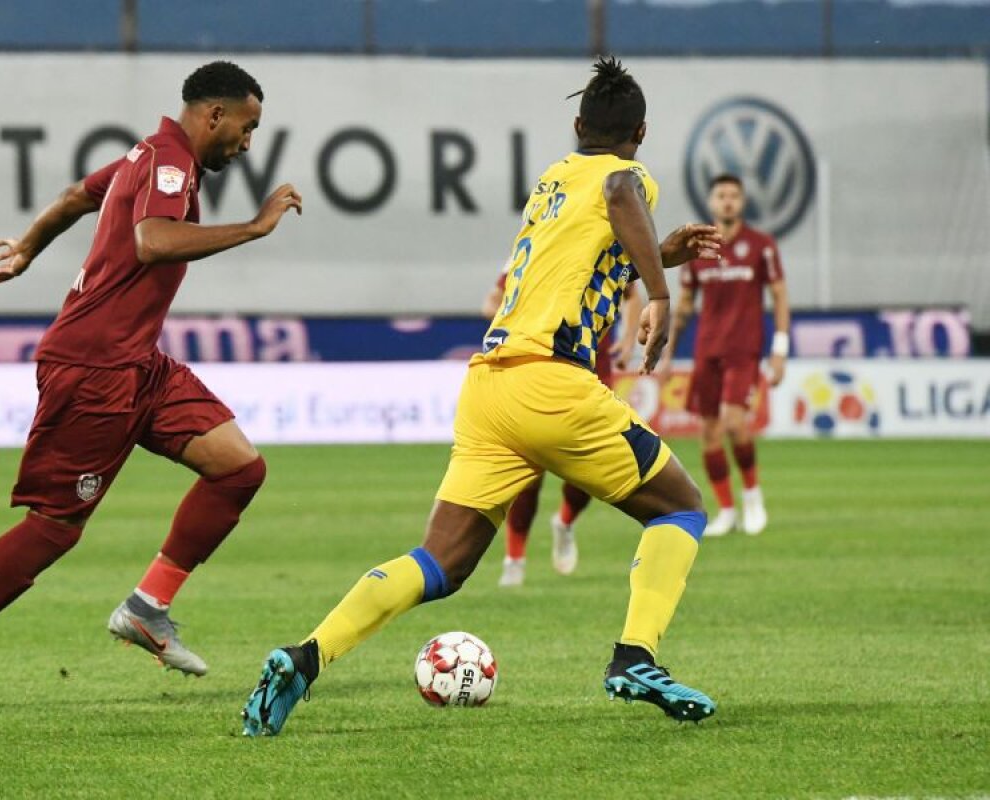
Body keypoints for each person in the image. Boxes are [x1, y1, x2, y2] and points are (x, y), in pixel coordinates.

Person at [241, 57, 722, 736]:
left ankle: (305, 657)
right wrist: (663, 294)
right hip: (553, 384)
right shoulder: (628, 175)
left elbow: (586, 246)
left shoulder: (552, 179)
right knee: (681, 509)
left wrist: (658, 254)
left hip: (489, 387)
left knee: (440, 562)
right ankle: (635, 656)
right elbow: (619, 191)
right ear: (640, 131)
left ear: (577, 124)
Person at [0, 61, 303, 712]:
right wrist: (252, 228)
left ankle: (148, 606)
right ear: (215, 115)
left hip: (136, 363)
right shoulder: (167, 161)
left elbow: (77, 196)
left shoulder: (147, 153)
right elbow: (151, 241)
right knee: (54, 527)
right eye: (247, 128)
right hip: (92, 370)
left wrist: (28, 246)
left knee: (238, 468)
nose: (248, 144)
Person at [481, 273, 641, 587]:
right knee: (529, 470)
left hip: (590, 375)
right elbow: (491, 303)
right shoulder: (533, 252)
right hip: (537, 374)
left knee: (589, 472)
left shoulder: (599, 249)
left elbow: (632, 294)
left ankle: (565, 522)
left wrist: (628, 337)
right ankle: (514, 559)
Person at [660, 174, 790, 536]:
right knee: (709, 433)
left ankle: (752, 497)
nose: (728, 201)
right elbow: (685, 304)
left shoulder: (761, 245)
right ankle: (727, 511)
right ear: (712, 202)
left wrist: (779, 350)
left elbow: (779, 295)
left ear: (742, 202)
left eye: (734, 195)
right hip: (707, 350)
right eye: (721, 195)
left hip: (744, 350)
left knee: (735, 424)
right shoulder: (699, 250)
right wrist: (668, 354)